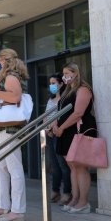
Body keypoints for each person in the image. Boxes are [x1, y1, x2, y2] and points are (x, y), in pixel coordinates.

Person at [0, 48, 29, 221]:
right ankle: (4, 205)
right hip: (4, 129)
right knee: (1, 168)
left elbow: (15, 97)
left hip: (10, 129)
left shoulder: (11, 77)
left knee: (14, 168)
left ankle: (17, 211)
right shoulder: (6, 77)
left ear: (4, 60)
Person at [52, 62, 97, 214]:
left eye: (67, 73)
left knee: (80, 166)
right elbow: (60, 112)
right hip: (66, 132)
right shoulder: (67, 91)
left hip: (79, 131)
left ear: (75, 73)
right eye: (63, 74)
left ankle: (84, 202)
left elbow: (78, 112)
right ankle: (75, 199)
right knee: (72, 166)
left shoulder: (83, 89)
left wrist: (62, 127)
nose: (65, 77)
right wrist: (55, 126)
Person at [44, 73, 71, 205]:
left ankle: (67, 192)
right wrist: (47, 129)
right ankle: (55, 191)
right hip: (49, 135)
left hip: (60, 135)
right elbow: (45, 117)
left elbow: (64, 117)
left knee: (63, 165)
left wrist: (54, 127)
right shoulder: (50, 100)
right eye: (50, 83)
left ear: (61, 84)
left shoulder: (65, 99)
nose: (51, 86)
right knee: (54, 165)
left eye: (54, 83)